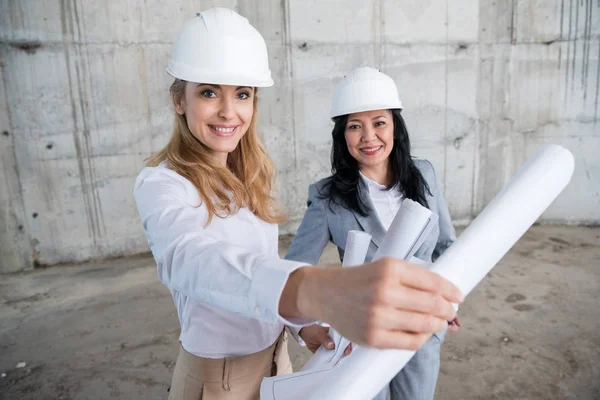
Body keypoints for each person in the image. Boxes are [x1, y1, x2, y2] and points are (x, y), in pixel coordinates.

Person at [134, 9, 463, 400]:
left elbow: (265, 269)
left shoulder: (245, 179)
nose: (228, 111)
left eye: (242, 94)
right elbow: (191, 259)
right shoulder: (161, 183)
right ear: (179, 100)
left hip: (276, 361)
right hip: (218, 379)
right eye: (208, 92)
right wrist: (315, 290)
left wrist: (301, 324)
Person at [286, 67, 461, 400]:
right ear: (342, 135)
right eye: (355, 126)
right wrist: (303, 326)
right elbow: (292, 271)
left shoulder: (424, 174)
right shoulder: (326, 198)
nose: (369, 137)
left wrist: (448, 301)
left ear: (395, 125)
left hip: (420, 328)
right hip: (363, 337)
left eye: (379, 122)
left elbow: (444, 245)